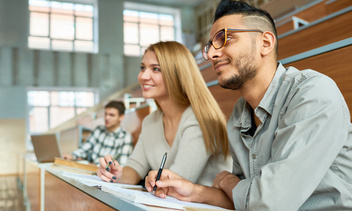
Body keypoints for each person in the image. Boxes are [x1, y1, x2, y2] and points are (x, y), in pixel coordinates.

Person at [145, 1, 352, 210]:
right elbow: (243, 200)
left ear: (265, 43)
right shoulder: (239, 115)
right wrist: (193, 191)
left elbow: (269, 202)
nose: (212, 55)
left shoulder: (313, 93)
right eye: (211, 46)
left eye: (226, 38)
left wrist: (227, 181)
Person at [96, 41, 232, 186]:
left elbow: (177, 182)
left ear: (177, 74)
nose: (143, 76)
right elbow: (135, 169)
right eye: (143, 68)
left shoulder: (200, 119)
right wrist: (116, 173)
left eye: (155, 69)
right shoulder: (150, 122)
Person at [63, 101, 133, 165]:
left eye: (111, 115)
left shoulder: (125, 137)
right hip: (91, 170)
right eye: (106, 114)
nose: (107, 117)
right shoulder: (98, 130)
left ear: (121, 117)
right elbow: (85, 148)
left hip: (107, 174)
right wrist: (72, 156)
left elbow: (123, 165)